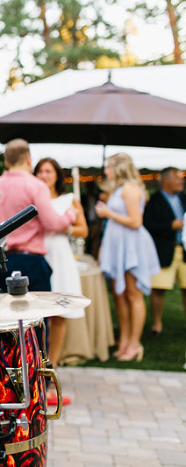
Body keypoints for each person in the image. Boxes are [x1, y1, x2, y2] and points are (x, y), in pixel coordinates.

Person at [0, 139, 78, 294]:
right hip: (32, 263)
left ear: (6, 161)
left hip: (1, 263)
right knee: (37, 316)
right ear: (28, 160)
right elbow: (53, 224)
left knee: (4, 315)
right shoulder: (36, 186)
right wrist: (70, 215)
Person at [95, 153, 160, 361]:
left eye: (108, 166)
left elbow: (135, 221)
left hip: (131, 247)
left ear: (119, 167)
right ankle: (123, 339)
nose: (106, 171)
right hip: (117, 247)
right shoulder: (118, 189)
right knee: (119, 294)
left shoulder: (131, 188)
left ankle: (134, 343)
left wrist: (108, 214)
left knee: (133, 294)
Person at [34, 158, 88, 370]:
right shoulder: (33, 198)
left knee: (58, 313)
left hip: (60, 256)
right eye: (39, 171)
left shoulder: (69, 199)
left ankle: (52, 365)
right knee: (38, 312)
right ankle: (36, 361)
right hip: (38, 255)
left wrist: (63, 227)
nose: (43, 175)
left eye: (48, 171)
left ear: (57, 175)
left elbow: (83, 230)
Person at [143, 167, 186, 336]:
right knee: (159, 288)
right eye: (178, 178)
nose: (181, 181)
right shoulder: (154, 201)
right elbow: (147, 225)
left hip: (184, 250)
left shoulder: (183, 198)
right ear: (166, 180)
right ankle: (157, 324)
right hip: (163, 249)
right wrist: (170, 226)